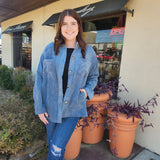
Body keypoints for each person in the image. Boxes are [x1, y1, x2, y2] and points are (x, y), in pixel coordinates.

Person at [33, 9, 99, 160]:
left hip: (73, 109)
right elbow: (39, 78)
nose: (69, 28)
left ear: (79, 26)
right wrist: (39, 107)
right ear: (60, 27)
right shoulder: (49, 49)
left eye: (73, 23)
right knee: (56, 148)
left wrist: (87, 92)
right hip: (50, 109)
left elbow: (94, 76)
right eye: (65, 24)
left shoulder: (88, 52)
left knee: (55, 149)